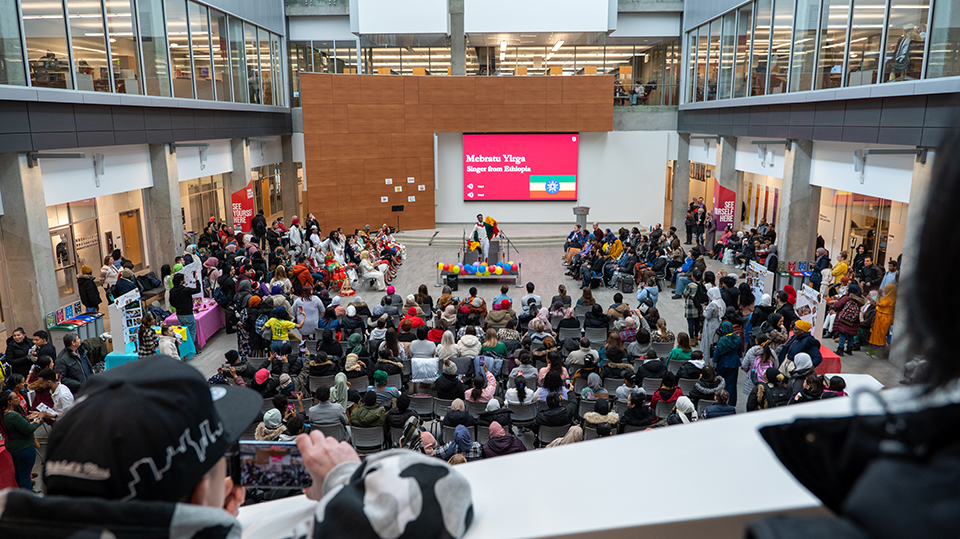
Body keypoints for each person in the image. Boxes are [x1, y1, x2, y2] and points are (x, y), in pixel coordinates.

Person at [1, 390, 46, 489]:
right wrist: (39, 419)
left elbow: (20, 427)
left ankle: (23, 493)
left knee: (20, 473)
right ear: (9, 401)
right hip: (23, 447)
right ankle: (28, 496)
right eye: (16, 397)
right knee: (25, 474)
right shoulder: (13, 416)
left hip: (14, 447)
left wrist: (27, 420)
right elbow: (29, 430)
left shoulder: (5, 414)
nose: (18, 398)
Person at [712, 321, 743, 406]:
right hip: (734, 363)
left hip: (723, 363)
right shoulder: (737, 338)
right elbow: (740, 352)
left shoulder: (722, 340)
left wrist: (714, 361)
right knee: (732, 384)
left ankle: (720, 401)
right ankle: (731, 403)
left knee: (720, 383)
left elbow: (717, 353)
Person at [169, 273, 202, 351]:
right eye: (183, 279)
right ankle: (190, 348)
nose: (184, 280)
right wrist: (197, 280)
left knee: (183, 332)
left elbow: (172, 302)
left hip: (179, 314)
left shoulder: (172, 291)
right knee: (191, 332)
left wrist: (178, 307)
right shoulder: (185, 290)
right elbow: (197, 290)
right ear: (181, 281)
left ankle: (185, 348)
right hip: (187, 313)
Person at [830, 283, 865, 356]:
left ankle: (840, 349)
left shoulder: (847, 297)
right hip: (853, 321)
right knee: (850, 335)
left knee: (842, 334)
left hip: (843, 319)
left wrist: (835, 302)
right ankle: (849, 349)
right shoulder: (859, 300)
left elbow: (838, 305)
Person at [868, 283, 897, 357]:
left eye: (887, 288)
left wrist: (879, 294)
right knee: (875, 333)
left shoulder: (891, 300)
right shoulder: (886, 297)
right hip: (879, 318)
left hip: (885, 319)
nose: (885, 289)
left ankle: (878, 354)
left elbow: (878, 303)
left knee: (880, 335)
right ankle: (872, 350)